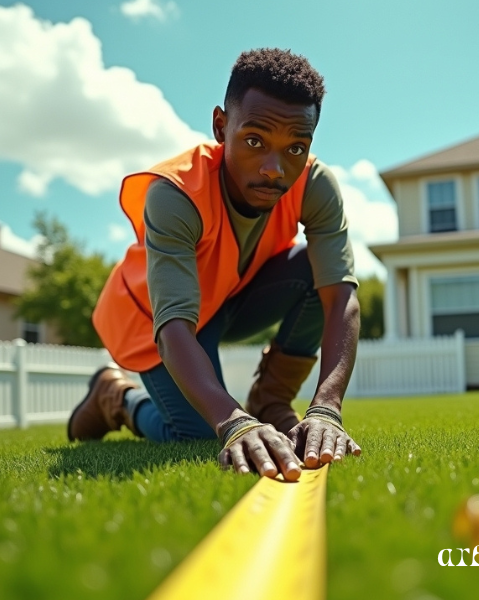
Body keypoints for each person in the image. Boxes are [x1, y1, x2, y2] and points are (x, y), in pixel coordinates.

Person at [67, 48, 361, 481]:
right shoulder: (175, 194)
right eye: (255, 140)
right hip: (156, 318)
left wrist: (326, 408)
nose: (274, 169)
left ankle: (271, 401)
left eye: (295, 147)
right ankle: (118, 398)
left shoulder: (315, 185)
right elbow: (174, 329)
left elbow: (342, 300)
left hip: (230, 296)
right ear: (221, 127)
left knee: (312, 273)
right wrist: (233, 422)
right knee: (200, 436)